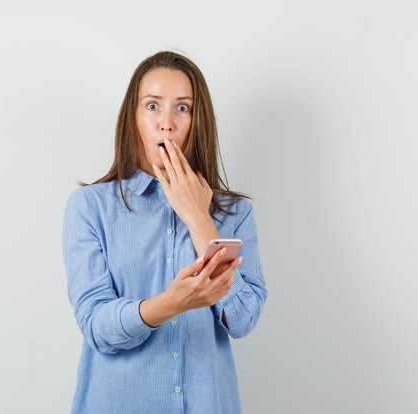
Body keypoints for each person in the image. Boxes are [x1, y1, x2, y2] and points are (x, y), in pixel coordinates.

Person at [62, 51, 268, 414]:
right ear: (134, 117)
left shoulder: (235, 213)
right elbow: (95, 325)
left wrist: (197, 216)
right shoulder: (90, 207)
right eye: (153, 106)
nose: (167, 123)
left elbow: (243, 319)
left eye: (183, 108)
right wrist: (172, 303)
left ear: (198, 119)